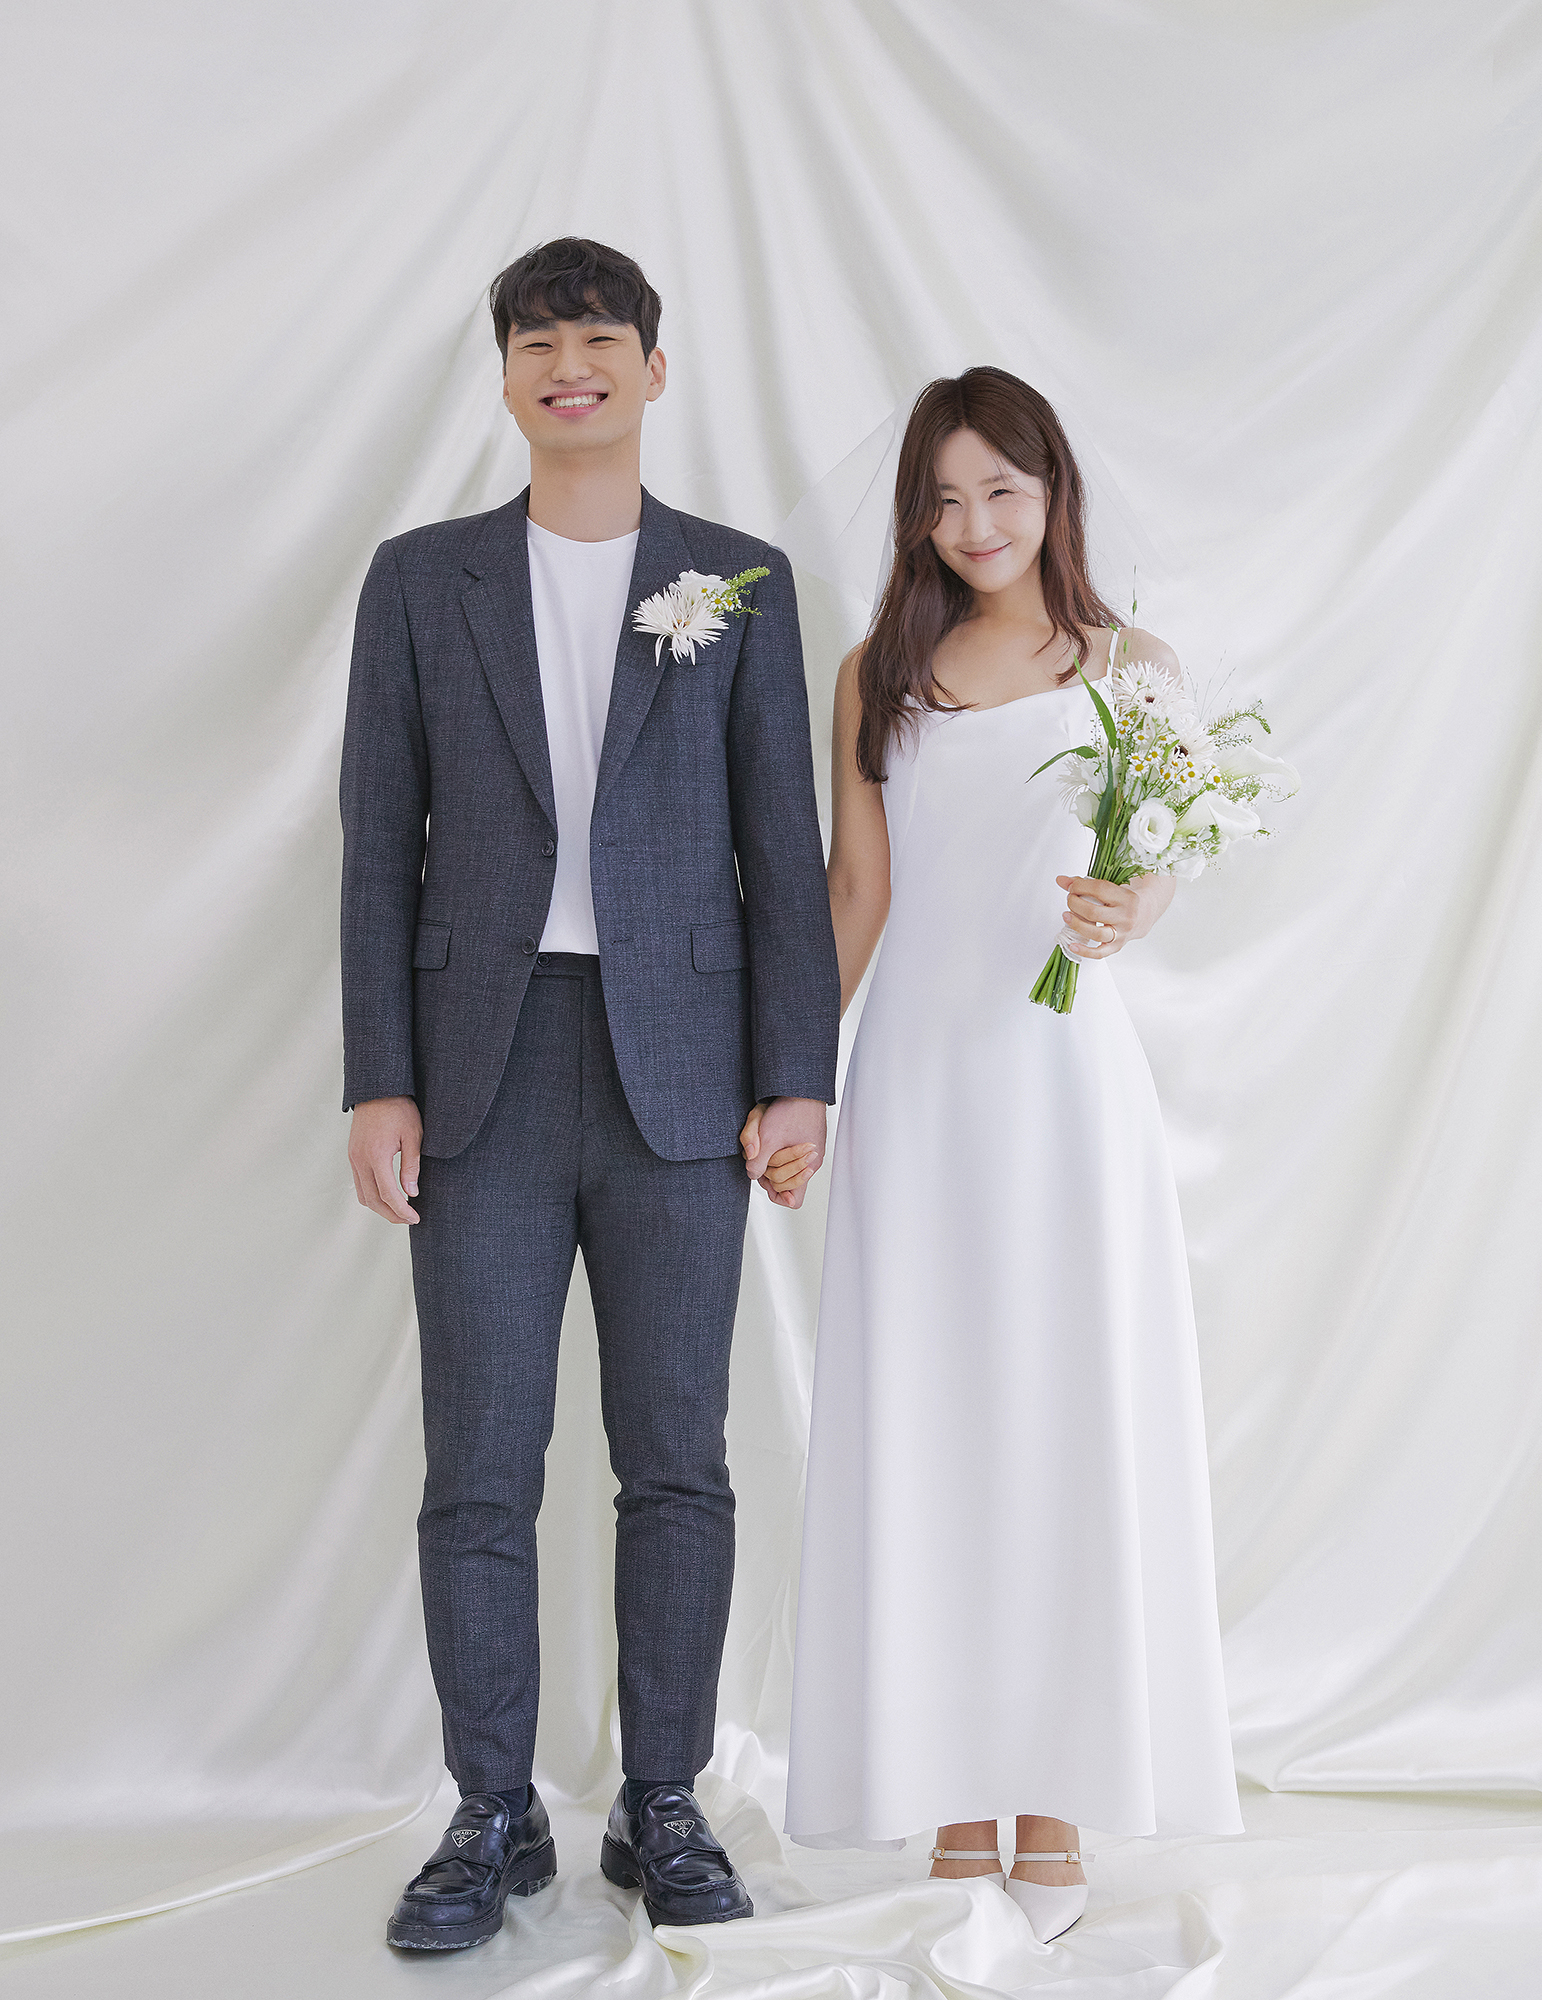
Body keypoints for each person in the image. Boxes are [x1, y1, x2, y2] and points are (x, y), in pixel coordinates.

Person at [340, 237, 839, 1951]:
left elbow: (782, 846)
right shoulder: (423, 580)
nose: (571, 365)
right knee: (478, 1465)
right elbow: (376, 848)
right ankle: (490, 1813)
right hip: (476, 1066)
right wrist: (378, 1081)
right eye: (539, 343)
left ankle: (663, 1800)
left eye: (600, 338)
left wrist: (796, 1077)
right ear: (504, 378)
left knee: (678, 1459)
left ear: (653, 369)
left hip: (680, 1075)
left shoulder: (738, 581)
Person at [757, 367, 1242, 1943]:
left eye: (1003, 492)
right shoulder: (876, 675)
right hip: (917, 1087)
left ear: (1053, 494)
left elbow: (1160, 864)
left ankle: (1057, 1810)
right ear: (915, 512)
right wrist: (794, 1085)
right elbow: (856, 896)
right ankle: (955, 1808)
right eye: (946, 498)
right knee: (931, 1423)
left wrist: (1131, 905)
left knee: (1062, 1419)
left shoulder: (1131, 670)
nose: (975, 524)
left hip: (1065, 1092)